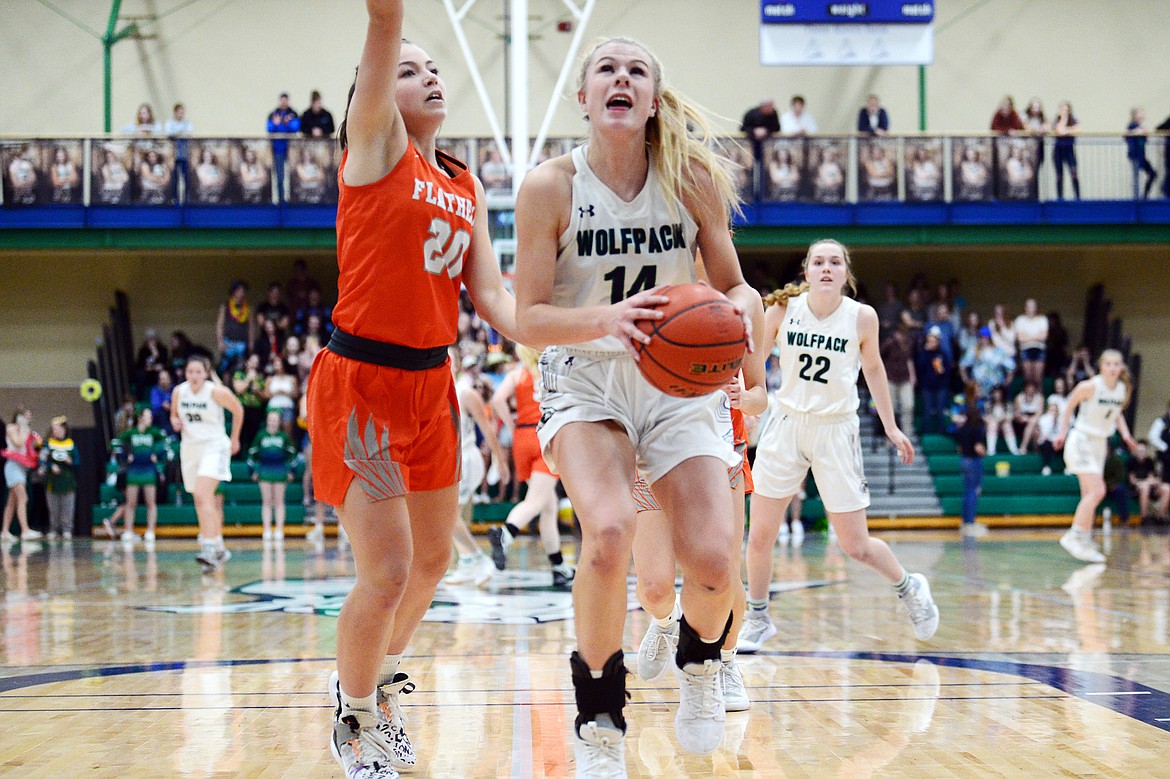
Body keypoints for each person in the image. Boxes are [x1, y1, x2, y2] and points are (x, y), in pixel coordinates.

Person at [512, 35, 757, 770]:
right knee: (611, 530)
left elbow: (736, 284)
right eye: (606, 70)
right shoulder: (548, 187)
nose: (621, 79)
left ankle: (702, 663)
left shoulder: (691, 180)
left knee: (714, 561)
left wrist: (747, 324)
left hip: (677, 387)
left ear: (653, 99)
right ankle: (598, 718)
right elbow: (525, 317)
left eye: (637, 70)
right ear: (583, 98)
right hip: (587, 376)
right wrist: (606, 321)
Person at [304, 4, 517, 777]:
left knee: (432, 561)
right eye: (407, 68)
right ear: (372, 95)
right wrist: (386, 29)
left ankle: (372, 679)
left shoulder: (466, 182)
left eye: (433, 69)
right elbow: (384, 24)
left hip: (433, 385)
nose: (426, 75)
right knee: (387, 569)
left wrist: (589, 321)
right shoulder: (374, 147)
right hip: (361, 382)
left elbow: (494, 300)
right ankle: (355, 717)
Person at [741, 239, 939, 657]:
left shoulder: (861, 317)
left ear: (845, 273)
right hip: (787, 425)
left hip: (836, 430)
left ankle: (909, 587)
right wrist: (751, 403)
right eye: (818, 262)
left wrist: (891, 426)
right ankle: (757, 617)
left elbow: (875, 370)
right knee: (759, 535)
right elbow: (753, 359)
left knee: (855, 545)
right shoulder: (781, 310)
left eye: (835, 262)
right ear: (806, 271)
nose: (826, 268)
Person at [486, 345, 575, 588]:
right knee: (536, 502)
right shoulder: (551, 371)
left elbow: (496, 399)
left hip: (521, 437)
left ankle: (558, 567)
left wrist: (509, 421)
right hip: (543, 435)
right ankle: (505, 534)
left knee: (548, 507)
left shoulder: (517, 373)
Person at [1053, 349, 1139, 563]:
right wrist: (1062, 433)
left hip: (1100, 443)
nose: (1112, 368)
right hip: (1082, 439)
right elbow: (1068, 406)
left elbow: (1116, 414)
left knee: (1088, 493)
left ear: (1121, 368)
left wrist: (1127, 436)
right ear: (1101, 366)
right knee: (1098, 490)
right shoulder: (1089, 386)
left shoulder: (1121, 389)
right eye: (1108, 363)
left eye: (1116, 364)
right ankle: (1074, 536)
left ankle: (1085, 540)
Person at [171, 355, 243, 571]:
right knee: (201, 500)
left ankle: (209, 546)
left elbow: (238, 410)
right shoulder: (179, 392)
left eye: (198, 372)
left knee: (204, 495)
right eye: (190, 371)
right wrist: (174, 420)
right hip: (190, 448)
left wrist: (235, 438)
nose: (194, 376)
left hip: (214, 446)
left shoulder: (216, 391)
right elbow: (174, 415)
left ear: (206, 372)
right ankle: (219, 547)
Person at [111, 407, 168, 546]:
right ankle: (128, 530)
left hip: (148, 470)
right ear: (140, 417)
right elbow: (116, 443)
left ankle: (150, 531)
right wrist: (126, 456)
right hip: (134, 471)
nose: (151, 419)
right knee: (131, 503)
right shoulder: (131, 433)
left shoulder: (153, 432)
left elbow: (164, 443)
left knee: (151, 502)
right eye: (148, 416)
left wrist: (156, 453)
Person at [248, 410, 299, 542]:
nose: (273, 422)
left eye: (276, 420)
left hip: (280, 470)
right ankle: (266, 529)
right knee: (266, 501)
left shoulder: (284, 436)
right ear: (267, 420)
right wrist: (252, 471)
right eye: (271, 419)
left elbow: (292, 455)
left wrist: (292, 471)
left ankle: (279, 529)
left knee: (279, 501)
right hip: (264, 470)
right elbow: (252, 454)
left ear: (279, 422)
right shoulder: (261, 435)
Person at [2, 407, 43, 542]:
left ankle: (5, 531)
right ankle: (25, 530)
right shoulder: (12, 428)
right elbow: (18, 442)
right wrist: (23, 429)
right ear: (19, 416)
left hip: (22, 468)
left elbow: (32, 449)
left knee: (12, 502)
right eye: (26, 416)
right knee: (23, 498)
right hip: (12, 466)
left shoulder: (28, 431)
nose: (28, 419)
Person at [952, 402, 988, 537]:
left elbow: (959, 447)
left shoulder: (962, 428)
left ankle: (965, 521)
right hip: (974, 461)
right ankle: (970, 522)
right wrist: (985, 452)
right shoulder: (977, 428)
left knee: (967, 492)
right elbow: (978, 448)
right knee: (973, 492)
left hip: (964, 460)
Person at [41, 416, 79, 541]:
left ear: (64, 429)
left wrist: (70, 461)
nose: (55, 431)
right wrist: (51, 466)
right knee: (53, 507)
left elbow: (78, 462)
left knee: (67, 506)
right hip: (52, 481)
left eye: (58, 429)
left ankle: (67, 529)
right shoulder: (48, 444)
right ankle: (53, 528)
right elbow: (42, 460)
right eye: (54, 429)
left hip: (67, 481)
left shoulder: (71, 444)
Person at [267, 92, 301, 200]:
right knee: (279, 176)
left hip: (291, 149)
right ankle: (280, 198)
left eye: (285, 100)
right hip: (278, 149)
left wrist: (286, 123)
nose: (284, 102)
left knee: (292, 175)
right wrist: (276, 123)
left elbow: (296, 127)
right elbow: (269, 128)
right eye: (282, 100)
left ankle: (292, 198)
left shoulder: (293, 113)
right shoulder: (273, 114)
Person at [216, 280, 254, 375]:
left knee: (241, 368)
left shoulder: (248, 308)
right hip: (228, 342)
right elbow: (219, 325)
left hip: (242, 343)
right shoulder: (225, 306)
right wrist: (220, 341)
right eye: (239, 290)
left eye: (243, 291)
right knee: (226, 368)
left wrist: (251, 342)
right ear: (233, 291)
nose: (241, 293)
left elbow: (251, 327)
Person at [1128, 441, 1168, 523]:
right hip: (1137, 488)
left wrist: (1156, 483)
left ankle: (1160, 516)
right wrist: (1143, 483)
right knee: (1145, 487)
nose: (1141, 453)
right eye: (1139, 450)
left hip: (1149, 485)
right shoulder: (1131, 461)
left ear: (1146, 451)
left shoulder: (1149, 461)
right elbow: (1132, 481)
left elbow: (1151, 477)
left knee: (1167, 488)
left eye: (1143, 451)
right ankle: (1144, 517)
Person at [1014, 298, 1048, 388]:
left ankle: (1040, 398)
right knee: (1028, 378)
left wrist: (1028, 337)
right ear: (1025, 308)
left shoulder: (1042, 319)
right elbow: (1020, 338)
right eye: (1029, 306)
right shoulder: (1020, 320)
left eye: (1033, 306)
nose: (1031, 308)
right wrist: (1035, 337)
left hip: (1039, 350)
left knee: (1038, 378)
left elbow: (1043, 336)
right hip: (1025, 350)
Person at [1126, 107, 1158, 200]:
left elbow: (1145, 135)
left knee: (1152, 174)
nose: (1143, 114)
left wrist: (1144, 132)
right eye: (1140, 113)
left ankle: (1144, 196)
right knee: (1136, 177)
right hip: (1135, 155)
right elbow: (1128, 134)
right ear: (1135, 115)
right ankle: (1136, 199)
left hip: (1142, 156)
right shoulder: (1132, 125)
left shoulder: (1141, 127)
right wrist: (1138, 132)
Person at [1052, 101, 1081, 200]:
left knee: (1074, 173)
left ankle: (1077, 197)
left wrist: (1067, 130)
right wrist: (1064, 121)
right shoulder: (1056, 120)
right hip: (1058, 150)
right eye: (1063, 110)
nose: (1065, 112)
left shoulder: (1074, 119)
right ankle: (1060, 198)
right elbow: (1059, 131)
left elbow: (1078, 130)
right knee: (1059, 175)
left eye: (1067, 110)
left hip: (1069, 149)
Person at [165, 103, 193, 199]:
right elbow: (169, 134)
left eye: (182, 113)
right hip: (174, 156)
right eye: (179, 113)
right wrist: (180, 134)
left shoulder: (187, 123)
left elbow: (189, 134)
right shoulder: (169, 123)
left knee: (186, 178)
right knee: (175, 178)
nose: (181, 115)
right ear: (175, 113)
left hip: (184, 155)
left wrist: (177, 134)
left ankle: (187, 198)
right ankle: (174, 198)